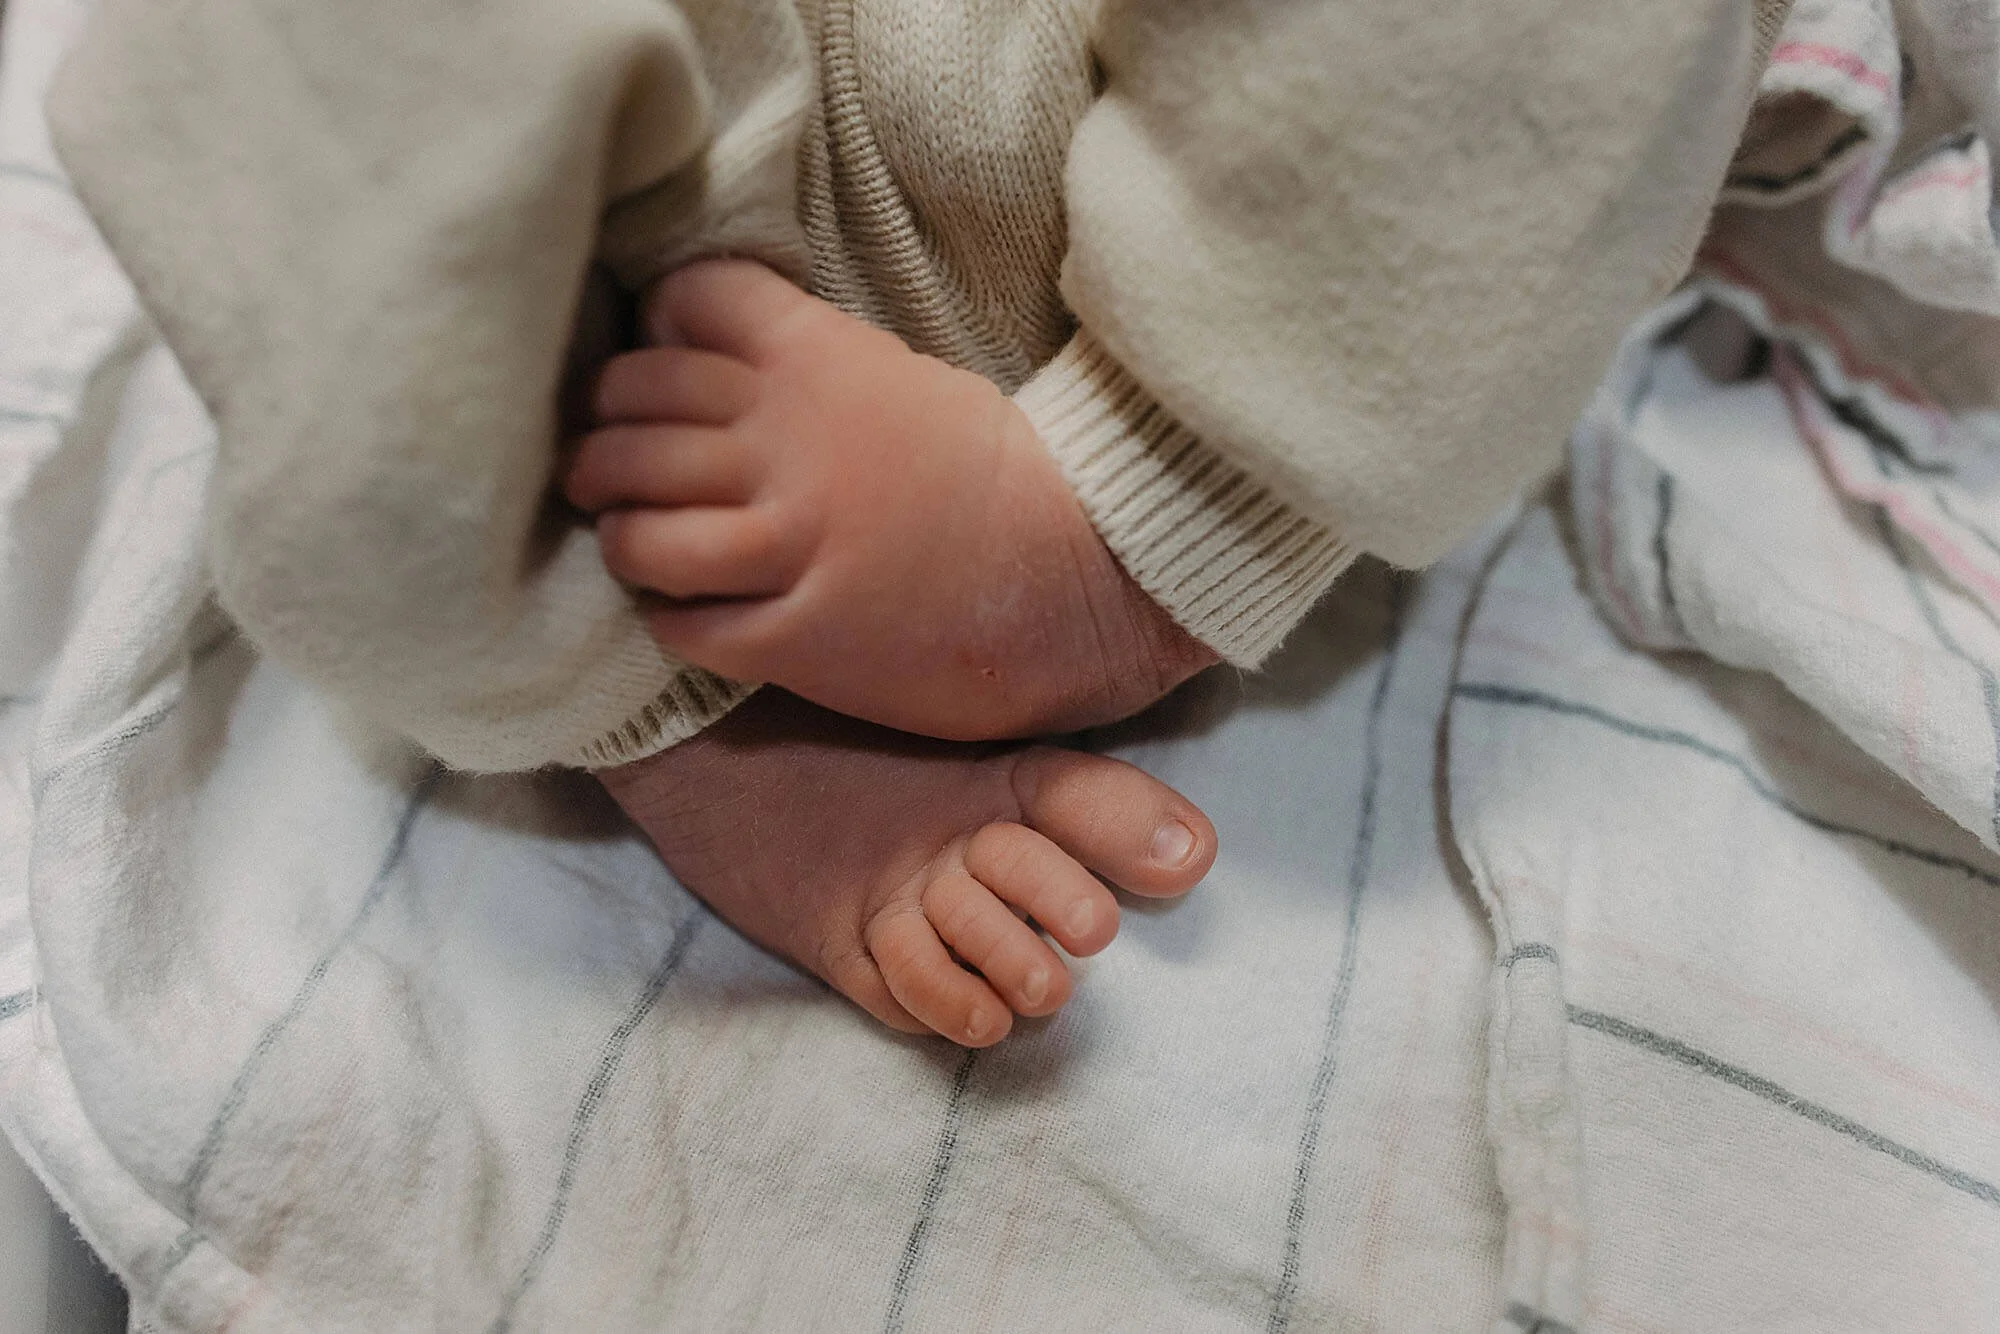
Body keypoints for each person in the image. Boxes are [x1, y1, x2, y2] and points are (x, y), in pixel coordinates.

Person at [45, 0, 1786, 1043]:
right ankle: (667, 689)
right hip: (627, 231)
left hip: (1188, 207)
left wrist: (1140, 478)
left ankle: (1118, 531)